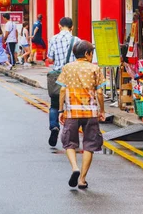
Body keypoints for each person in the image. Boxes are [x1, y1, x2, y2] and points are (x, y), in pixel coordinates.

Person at [58, 40, 106, 189]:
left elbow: (62, 90)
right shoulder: (95, 69)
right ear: (87, 54)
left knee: (69, 143)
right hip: (90, 112)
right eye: (91, 53)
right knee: (89, 145)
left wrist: (61, 110)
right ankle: (82, 179)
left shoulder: (67, 68)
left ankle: (75, 168)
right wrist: (102, 110)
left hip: (72, 111)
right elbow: (99, 92)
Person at [46, 17, 78, 147]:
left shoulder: (53, 39)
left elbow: (50, 59)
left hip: (58, 78)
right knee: (71, 106)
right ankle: (70, 134)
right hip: (73, 77)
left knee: (54, 105)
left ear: (59, 26)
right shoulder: (77, 40)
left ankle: (54, 127)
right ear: (72, 27)